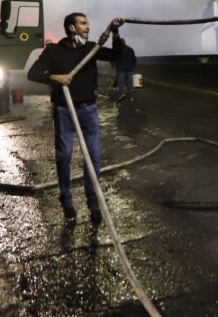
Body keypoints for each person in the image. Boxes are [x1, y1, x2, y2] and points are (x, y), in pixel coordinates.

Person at [27, 12, 126, 224]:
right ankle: (67, 198)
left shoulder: (91, 48)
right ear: (71, 28)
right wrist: (54, 77)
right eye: (83, 23)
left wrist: (115, 32)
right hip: (64, 111)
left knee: (93, 157)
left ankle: (93, 200)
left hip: (88, 110)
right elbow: (32, 73)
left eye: (88, 23)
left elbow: (118, 56)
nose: (88, 27)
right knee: (64, 155)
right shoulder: (53, 50)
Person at [114, 36, 137, 103]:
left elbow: (115, 59)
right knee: (130, 84)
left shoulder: (118, 50)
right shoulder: (130, 49)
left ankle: (122, 94)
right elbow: (134, 59)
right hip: (129, 70)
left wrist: (116, 66)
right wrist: (133, 67)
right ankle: (131, 97)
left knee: (121, 83)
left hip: (121, 70)